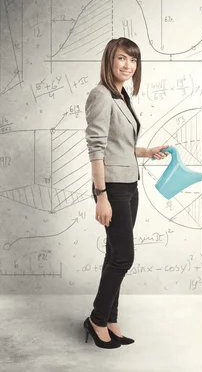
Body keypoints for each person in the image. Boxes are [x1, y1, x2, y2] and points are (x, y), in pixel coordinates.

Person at [82, 37, 169, 349]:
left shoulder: (122, 96)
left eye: (132, 60)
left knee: (114, 254)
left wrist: (145, 151)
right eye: (121, 58)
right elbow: (96, 148)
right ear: (110, 60)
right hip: (113, 188)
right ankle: (96, 319)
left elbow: (118, 145)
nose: (127, 65)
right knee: (124, 257)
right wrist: (101, 195)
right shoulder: (101, 95)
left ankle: (110, 319)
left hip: (129, 185)